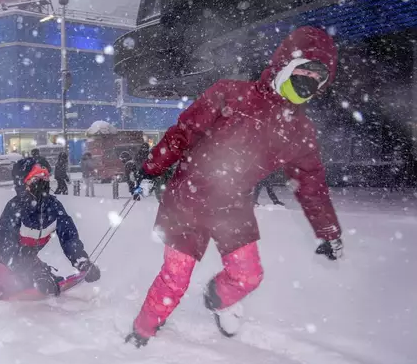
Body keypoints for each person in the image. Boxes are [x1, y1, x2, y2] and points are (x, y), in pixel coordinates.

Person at [125, 27, 344, 347]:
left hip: (234, 205)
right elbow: (182, 134)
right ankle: (143, 329)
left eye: (317, 76)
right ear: (285, 64)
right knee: (176, 277)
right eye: (304, 68)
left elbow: (311, 183)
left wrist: (328, 232)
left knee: (248, 275)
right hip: (189, 196)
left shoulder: (301, 131)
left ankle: (216, 298)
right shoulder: (230, 93)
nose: (309, 79)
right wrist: (150, 170)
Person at [0, 158, 100, 299]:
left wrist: (82, 261)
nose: (42, 183)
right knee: (15, 287)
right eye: (36, 179)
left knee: (40, 278)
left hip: (25, 255)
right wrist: (34, 272)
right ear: (24, 183)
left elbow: (69, 237)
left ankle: (37, 276)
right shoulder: (15, 208)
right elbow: (7, 247)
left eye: (45, 178)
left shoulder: (53, 207)